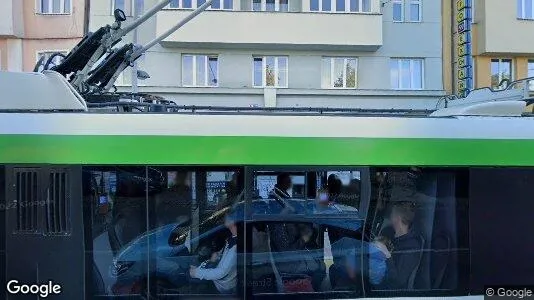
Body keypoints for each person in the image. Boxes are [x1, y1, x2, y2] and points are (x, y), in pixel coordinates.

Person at [190, 213, 238, 294]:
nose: (225, 223)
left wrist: (196, 273)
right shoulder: (231, 237)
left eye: (226, 220)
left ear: (232, 222)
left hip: (225, 286)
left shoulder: (235, 246)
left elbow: (221, 272)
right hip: (220, 282)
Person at [382, 201, 422, 289]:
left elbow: (398, 282)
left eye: (392, 214)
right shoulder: (389, 234)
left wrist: (387, 256)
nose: (390, 217)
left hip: (387, 290)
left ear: (397, 218)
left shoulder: (411, 247)